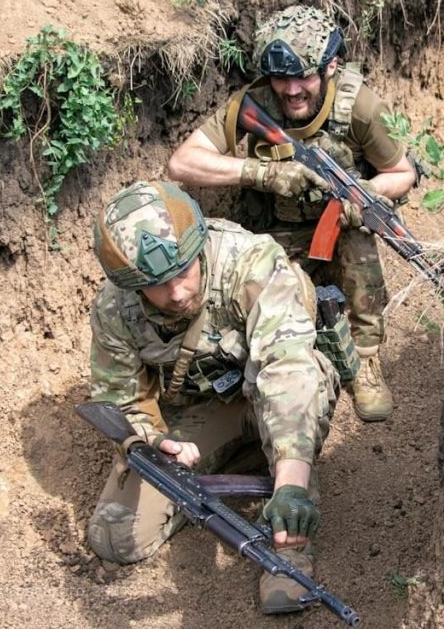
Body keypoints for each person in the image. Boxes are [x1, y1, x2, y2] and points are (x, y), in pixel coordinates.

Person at [85, 180, 341, 615]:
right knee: (115, 536)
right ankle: (242, 457)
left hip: (276, 395)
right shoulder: (116, 309)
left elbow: (288, 369)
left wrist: (291, 485)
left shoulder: (251, 261)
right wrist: (151, 440)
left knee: (302, 384)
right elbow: (120, 396)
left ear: (199, 247)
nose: (177, 293)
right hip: (204, 410)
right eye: (157, 285)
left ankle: (288, 544)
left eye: (182, 272)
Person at [167, 4, 416, 422]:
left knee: (362, 234)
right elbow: (182, 163)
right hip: (273, 234)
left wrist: (365, 194)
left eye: (304, 76)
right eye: (281, 78)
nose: (292, 90)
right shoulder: (254, 103)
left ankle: (364, 358)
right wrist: (264, 174)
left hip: (337, 232)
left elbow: (402, 173)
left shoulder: (361, 107)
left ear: (330, 66)